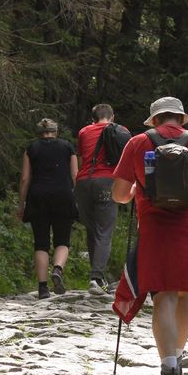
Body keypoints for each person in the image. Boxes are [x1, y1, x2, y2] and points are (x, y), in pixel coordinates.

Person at [111, 96, 188, 375]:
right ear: (180, 118)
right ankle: (176, 357)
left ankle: (168, 369)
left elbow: (118, 195)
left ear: (154, 120)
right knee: (185, 293)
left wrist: (138, 189)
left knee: (163, 295)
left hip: (155, 228)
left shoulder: (137, 143)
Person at [18, 118, 79, 298]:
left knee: (41, 243)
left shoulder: (32, 149)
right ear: (56, 131)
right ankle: (58, 269)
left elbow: (25, 179)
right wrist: (78, 198)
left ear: (39, 133)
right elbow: (75, 174)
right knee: (62, 240)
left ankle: (43, 287)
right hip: (63, 195)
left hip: (38, 197)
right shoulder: (67, 147)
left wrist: (21, 203)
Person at [74, 103, 128, 293]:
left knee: (92, 229)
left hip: (83, 183)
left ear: (93, 118)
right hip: (107, 182)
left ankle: (97, 276)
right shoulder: (121, 131)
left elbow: (81, 160)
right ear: (112, 117)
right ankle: (96, 278)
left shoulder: (84, 132)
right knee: (104, 231)